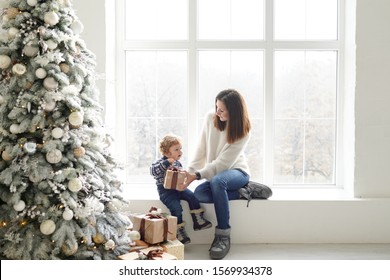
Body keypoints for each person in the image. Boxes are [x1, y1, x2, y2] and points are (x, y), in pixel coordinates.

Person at [184, 89, 272, 259]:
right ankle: (244, 191)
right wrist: (190, 173)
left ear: (234, 110)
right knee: (200, 193)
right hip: (219, 175)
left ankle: (222, 236)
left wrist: (197, 176)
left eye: (222, 109)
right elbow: (201, 148)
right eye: (216, 107)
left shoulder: (243, 131)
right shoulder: (211, 118)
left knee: (217, 182)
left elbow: (223, 164)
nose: (217, 112)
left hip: (237, 171)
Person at [150, 134, 212, 245]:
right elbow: (153, 172)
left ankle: (198, 220)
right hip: (166, 191)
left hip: (178, 188)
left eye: (180, 149)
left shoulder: (178, 163)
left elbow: (179, 176)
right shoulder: (159, 162)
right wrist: (166, 162)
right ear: (167, 153)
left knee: (192, 196)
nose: (180, 152)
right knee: (176, 208)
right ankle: (178, 230)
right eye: (176, 149)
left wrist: (183, 179)